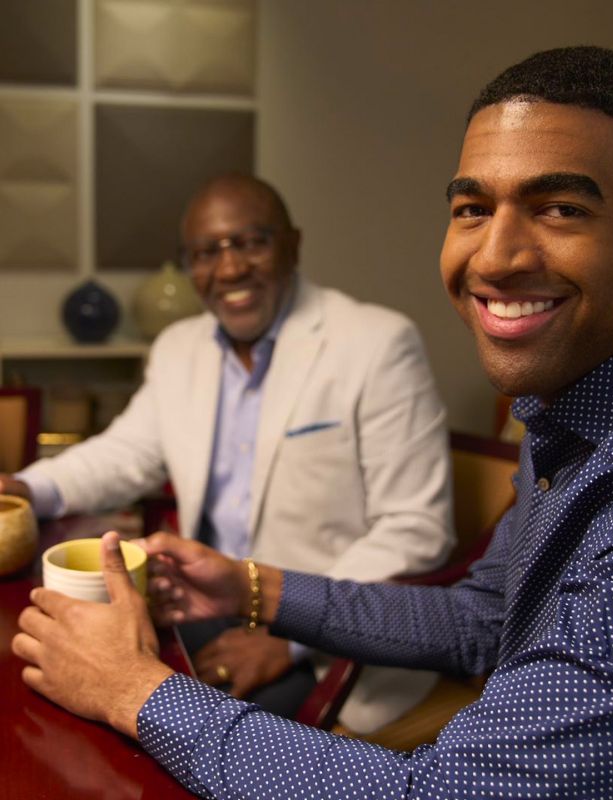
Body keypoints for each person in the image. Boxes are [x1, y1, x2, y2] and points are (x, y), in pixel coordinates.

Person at [14, 45, 613, 799]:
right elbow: (482, 619)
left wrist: (133, 690)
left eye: (560, 208)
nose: (494, 257)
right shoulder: (574, 409)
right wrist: (253, 584)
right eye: (471, 208)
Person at [3, 174, 454, 733]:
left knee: (160, 740)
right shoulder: (178, 349)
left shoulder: (377, 344)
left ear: (292, 244)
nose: (230, 268)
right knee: (61, 685)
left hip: (324, 650)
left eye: (250, 242)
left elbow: (415, 527)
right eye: (206, 253)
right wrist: (26, 489)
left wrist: (285, 637)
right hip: (200, 608)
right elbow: (125, 454)